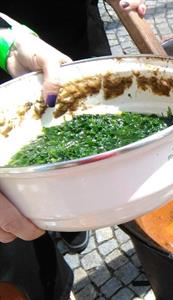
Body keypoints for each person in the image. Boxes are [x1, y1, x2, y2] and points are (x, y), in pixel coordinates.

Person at [1, 0, 146, 254]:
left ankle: (90, 215)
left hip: (74, 26)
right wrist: (6, 43)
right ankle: (66, 222)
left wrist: (9, 42)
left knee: (101, 109)